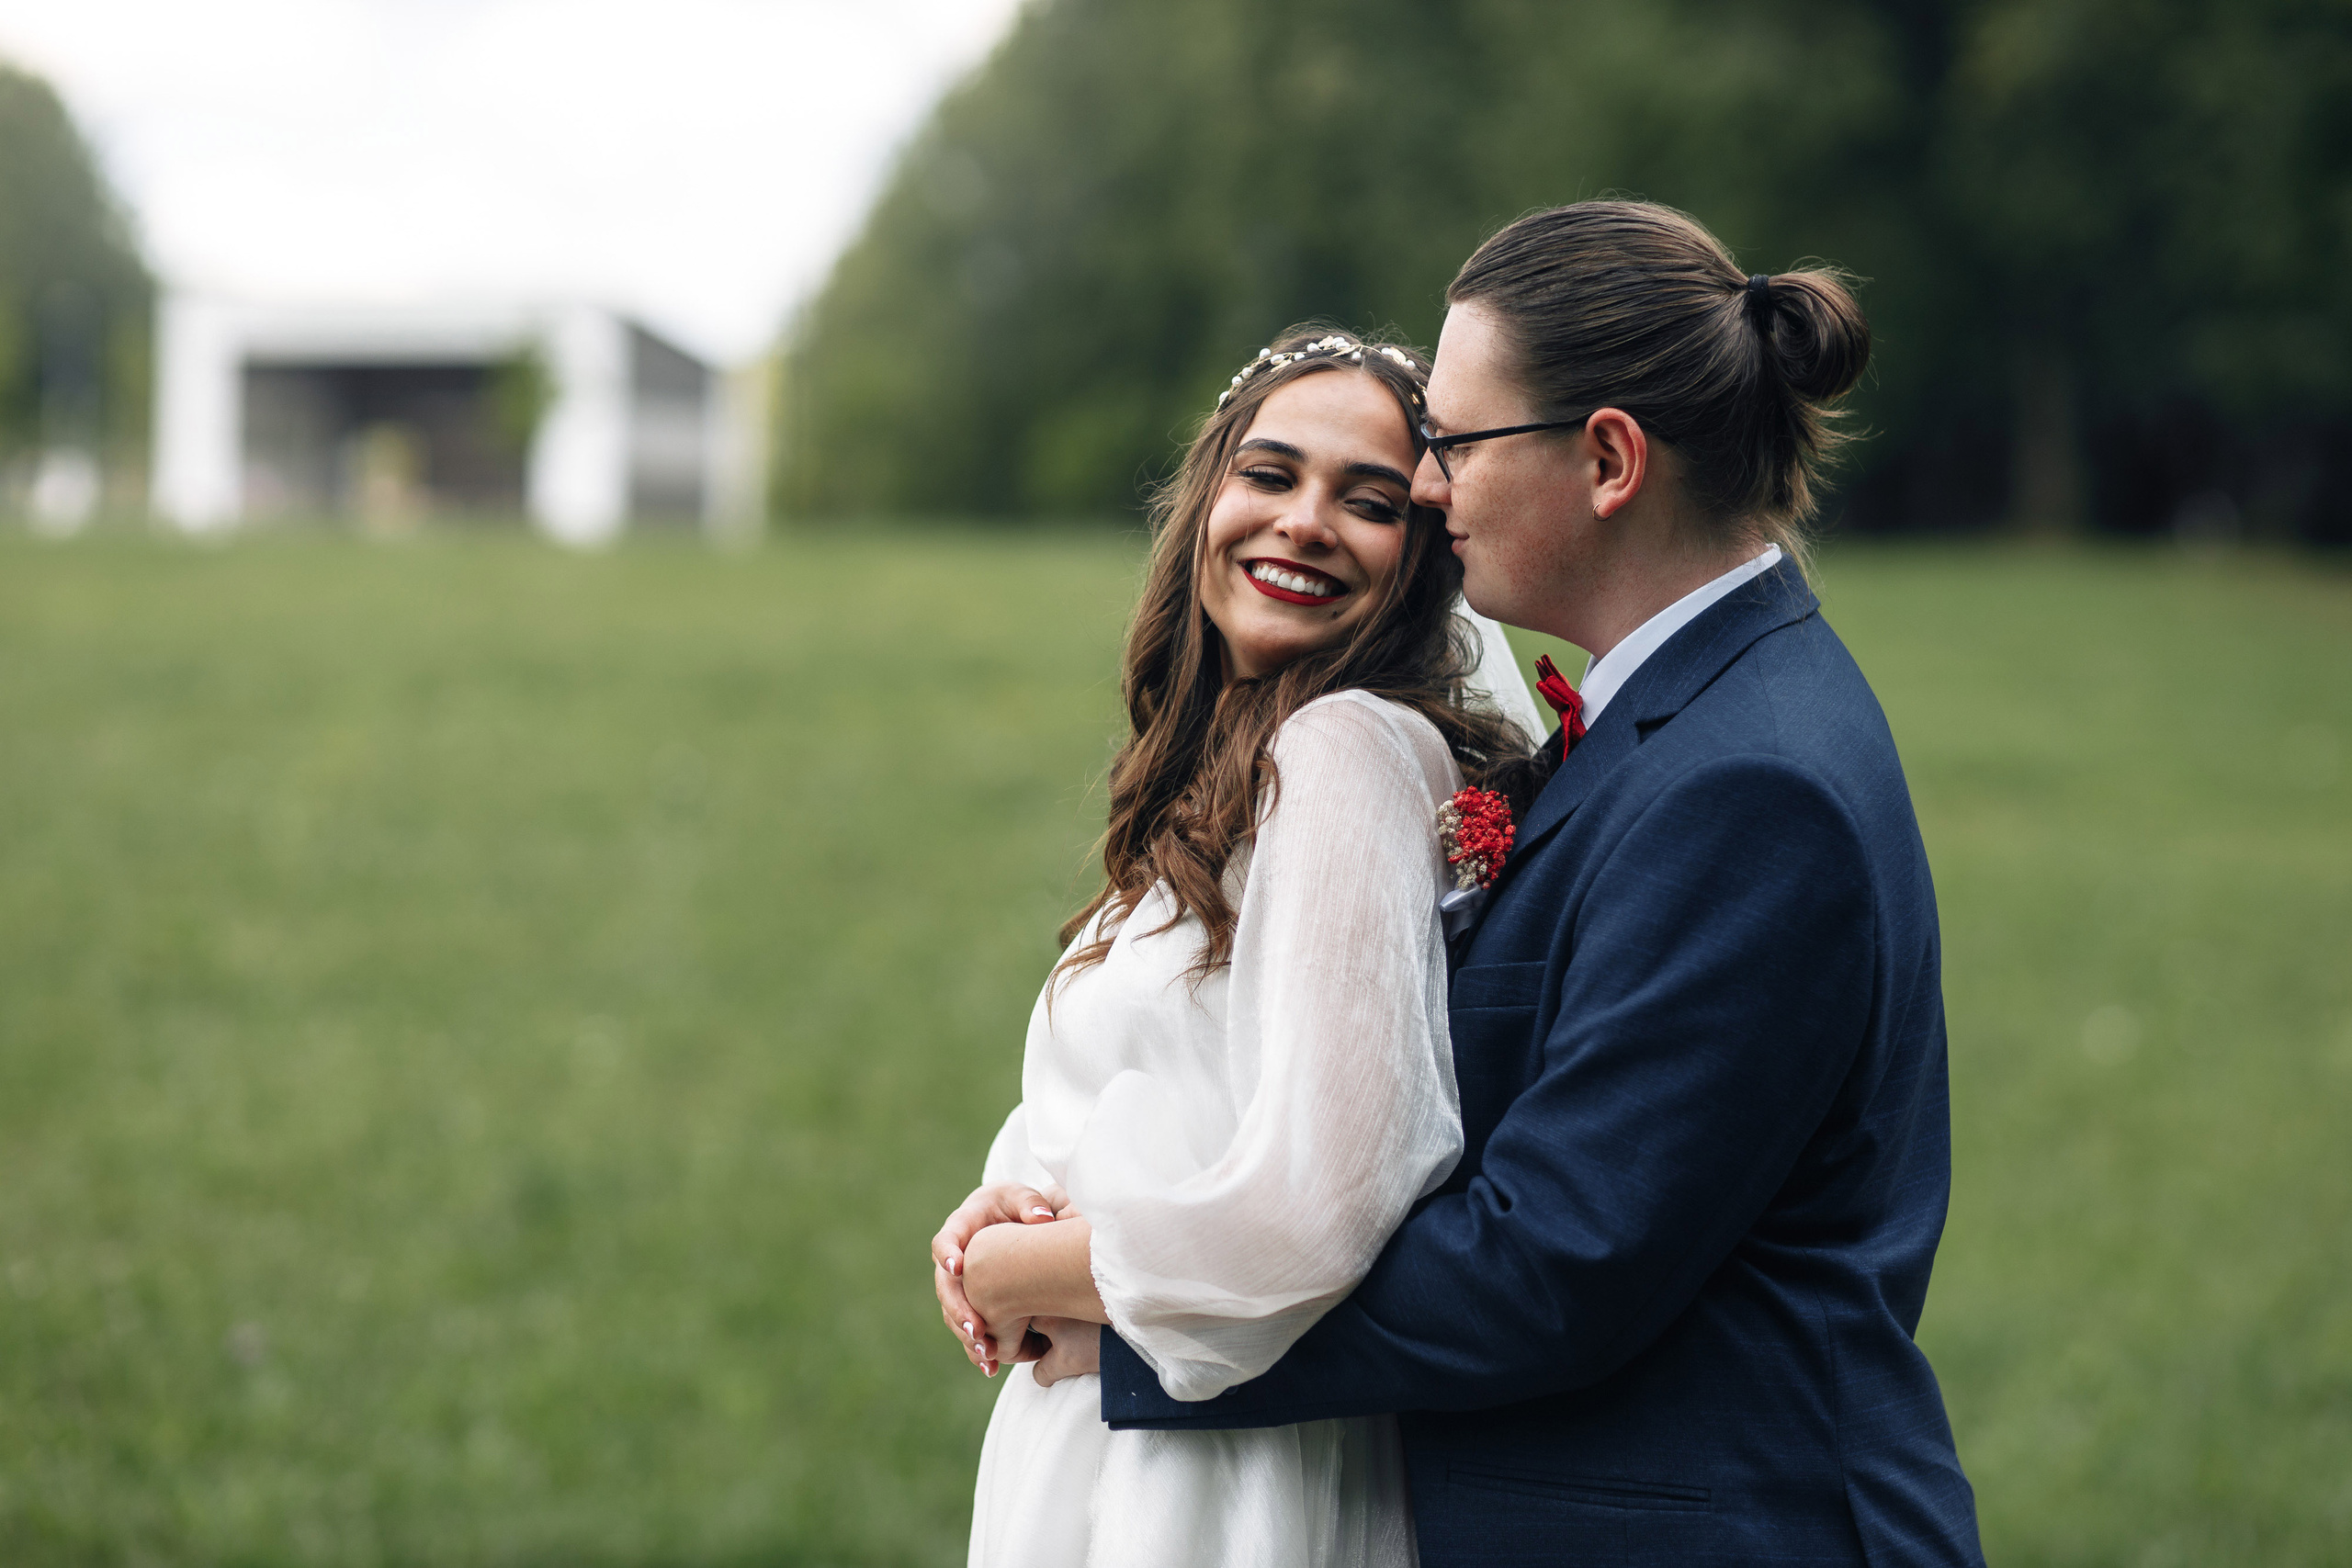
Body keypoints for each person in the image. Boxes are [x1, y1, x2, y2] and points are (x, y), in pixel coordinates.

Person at [955, 201, 1986, 1566]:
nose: (1430, 490)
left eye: (1446, 446)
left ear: (1610, 459)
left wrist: (1100, 1302)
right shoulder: (1674, 721)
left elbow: (1550, 1270)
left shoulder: (1752, 782)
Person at [929, 324, 1545, 1567]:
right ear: (1208, 493)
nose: (1305, 522)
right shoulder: (1233, 766)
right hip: (1126, 1434)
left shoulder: (1348, 754)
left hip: (1222, 1482)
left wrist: (1025, 1273)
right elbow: (1176, 1084)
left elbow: (1321, 1206)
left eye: (1370, 503)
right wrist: (1005, 1200)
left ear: (1425, 558)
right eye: (1271, 474)